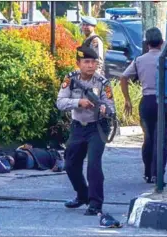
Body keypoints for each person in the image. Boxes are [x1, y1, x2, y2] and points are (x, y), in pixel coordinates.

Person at [56, 46, 115, 216]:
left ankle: (95, 204)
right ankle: (82, 195)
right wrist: (78, 102)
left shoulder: (103, 82)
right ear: (78, 63)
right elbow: (60, 102)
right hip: (78, 126)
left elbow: (110, 106)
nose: (90, 65)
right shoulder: (71, 79)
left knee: (94, 165)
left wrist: (104, 108)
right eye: (86, 62)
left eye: (93, 62)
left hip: (97, 127)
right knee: (70, 164)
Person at [119, 27, 167, 184]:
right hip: (164, 101)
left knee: (148, 138)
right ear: (162, 43)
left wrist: (127, 99)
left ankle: (148, 173)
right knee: (161, 140)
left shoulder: (139, 60)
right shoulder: (166, 60)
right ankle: (158, 174)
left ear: (147, 43)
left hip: (147, 101)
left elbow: (123, 77)